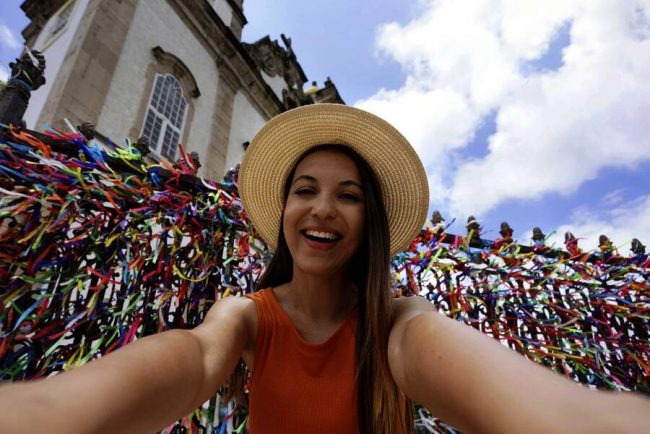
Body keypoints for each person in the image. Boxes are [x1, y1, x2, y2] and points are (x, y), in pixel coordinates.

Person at [0, 104, 648, 433]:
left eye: (349, 195)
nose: (322, 209)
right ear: (285, 209)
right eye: (305, 189)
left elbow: (542, 411)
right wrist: (46, 413)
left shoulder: (401, 323)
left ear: (370, 223)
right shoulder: (244, 317)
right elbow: (192, 360)